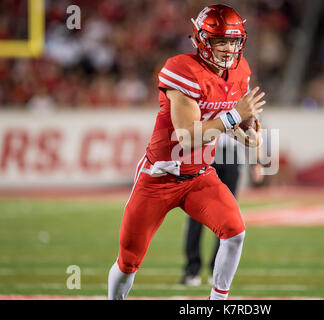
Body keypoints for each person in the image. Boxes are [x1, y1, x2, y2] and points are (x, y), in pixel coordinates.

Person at [108, 4, 265, 300]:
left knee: (235, 233)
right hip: (158, 177)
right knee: (129, 262)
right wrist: (234, 117)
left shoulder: (239, 71)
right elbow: (187, 137)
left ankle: (216, 303)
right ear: (203, 40)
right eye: (221, 41)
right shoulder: (182, 70)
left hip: (199, 176)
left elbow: (241, 121)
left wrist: (251, 136)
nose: (229, 49)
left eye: (233, 41)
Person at [179, 133, 241, 287]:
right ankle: (192, 269)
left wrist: (258, 159)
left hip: (230, 152)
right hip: (206, 150)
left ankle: (217, 270)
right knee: (196, 213)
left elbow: (250, 124)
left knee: (227, 216)